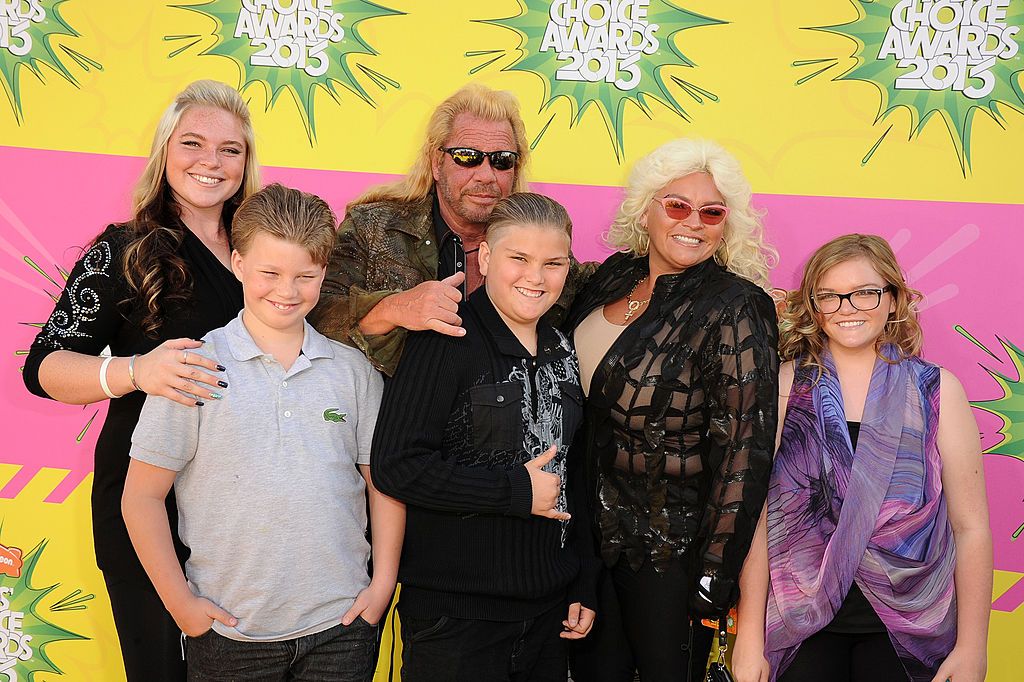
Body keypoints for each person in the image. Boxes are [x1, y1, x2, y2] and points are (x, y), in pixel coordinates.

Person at [22, 80, 261, 681]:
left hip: (250, 507)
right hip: (146, 502)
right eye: (193, 143)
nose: (211, 161)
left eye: (230, 149)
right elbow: (44, 365)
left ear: (246, 163)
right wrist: (135, 371)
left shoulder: (266, 250)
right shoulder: (124, 249)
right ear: (164, 152)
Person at [120, 183, 403, 681]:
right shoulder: (192, 367)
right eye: (270, 273)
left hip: (341, 629)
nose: (287, 291)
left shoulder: (353, 371)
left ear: (324, 274)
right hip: (231, 633)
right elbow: (141, 497)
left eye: (305, 276)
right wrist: (182, 604)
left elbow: (382, 485)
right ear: (238, 264)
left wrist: (382, 585)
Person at [563, 138, 780, 682]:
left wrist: (713, 576)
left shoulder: (735, 305)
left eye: (712, 212)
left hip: (672, 559)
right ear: (646, 208)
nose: (694, 222)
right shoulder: (612, 276)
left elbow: (744, 454)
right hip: (589, 547)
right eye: (678, 205)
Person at [732, 234, 993, 682]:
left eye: (865, 293)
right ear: (814, 307)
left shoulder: (936, 392)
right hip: (799, 624)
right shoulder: (781, 388)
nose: (847, 307)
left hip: (910, 627)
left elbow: (971, 528)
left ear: (893, 300)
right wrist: (750, 637)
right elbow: (755, 522)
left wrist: (973, 647)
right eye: (830, 296)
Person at [369, 193, 597, 681]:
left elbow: (573, 472)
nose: (535, 278)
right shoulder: (443, 339)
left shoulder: (561, 346)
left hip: (548, 615)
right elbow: (397, 465)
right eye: (519, 259)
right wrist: (512, 491)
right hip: (457, 621)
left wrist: (583, 582)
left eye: (553, 263)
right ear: (488, 258)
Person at [308, 83, 591, 376]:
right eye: (467, 157)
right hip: (392, 413)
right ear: (436, 162)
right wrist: (394, 309)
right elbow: (314, 313)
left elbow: (606, 289)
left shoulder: (542, 246)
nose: (486, 175)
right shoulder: (374, 227)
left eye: (502, 160)